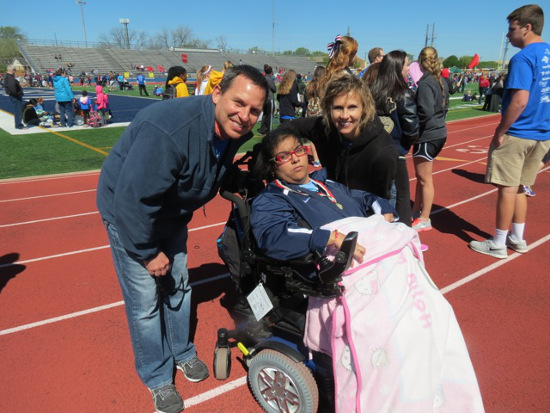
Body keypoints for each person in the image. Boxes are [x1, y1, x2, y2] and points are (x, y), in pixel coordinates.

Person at [250, 127, 484, 413]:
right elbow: (274, 238)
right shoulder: (272, 200)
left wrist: (381, 207)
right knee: (399, 334)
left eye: (298, 150)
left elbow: (362, 198)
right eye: (284, 156)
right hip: (341, 274)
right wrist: (326, 238)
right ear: (273, 166)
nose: (296, 159)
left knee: (436, 314)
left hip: (379, 260)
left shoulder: (327, 184)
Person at [96, 65, 267, 413]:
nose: (245, 115)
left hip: (171, 210)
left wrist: (234, 178)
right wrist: (147, 252)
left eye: (254, 110)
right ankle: (157, 377)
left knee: (179, 285)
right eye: (239, 102)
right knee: (145, 303)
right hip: (130, 212)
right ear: (217, 93)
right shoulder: (170, 130)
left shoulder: (229, 128)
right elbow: (132, 199)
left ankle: (182, 353)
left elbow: (207, 163)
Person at [469, 4, 550, 259]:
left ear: (527, 28)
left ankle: (498, 243)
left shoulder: (523, 58)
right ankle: (518, 237)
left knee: (506, 187)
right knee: (521, 187)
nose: (508, 35)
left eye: (511, 29)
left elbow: (519, 100)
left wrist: (500, 131)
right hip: (542, 134)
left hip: (519, 132)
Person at [290, 72, 398, 201]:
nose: (344, 115)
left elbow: (381, 203)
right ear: (328, 109)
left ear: (364, 108)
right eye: (338, 108)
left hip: (372, 206)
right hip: (339, 200)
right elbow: (287, 128)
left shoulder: (381, 151)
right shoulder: (323, 128)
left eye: (352, 107)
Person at [368, 50, 419, 226]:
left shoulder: (372, 90)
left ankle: (382, 228)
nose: (408, 69)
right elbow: (411, 128)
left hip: (375, 150)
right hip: (395, 151)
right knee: (400, 194)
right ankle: (399, 232)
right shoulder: (402, 93)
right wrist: (405, 144)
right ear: (398, 68)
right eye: (406, 65)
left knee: (380, 193)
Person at [410, 46, 449, 231]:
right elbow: (445, 107)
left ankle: (425, 217)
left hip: (428, 136)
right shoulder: (440, 80)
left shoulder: (426, 83)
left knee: (425, 179)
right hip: (438, 132)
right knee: (421, 177)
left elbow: (424, 111)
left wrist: (412, 124)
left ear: (420, 61)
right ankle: (416, 210)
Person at [257, 64, 277, 135]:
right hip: (269, 98)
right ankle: (269, 131)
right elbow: (274, 89)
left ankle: (262, 130)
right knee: (270, 115)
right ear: (271, 72)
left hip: (264, 98)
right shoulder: (269, 79)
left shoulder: (263, 78)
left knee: (265, 114)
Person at [4, 64, 25, 130]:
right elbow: (12, 88)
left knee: (18, 110)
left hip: (14, 96)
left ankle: (18, 124)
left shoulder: (8, 77)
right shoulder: (9, 77)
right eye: (14, 70)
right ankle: (19, 125)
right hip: (15, 96)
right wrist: (18, 94)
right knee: (18, 111)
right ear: (12, 70)